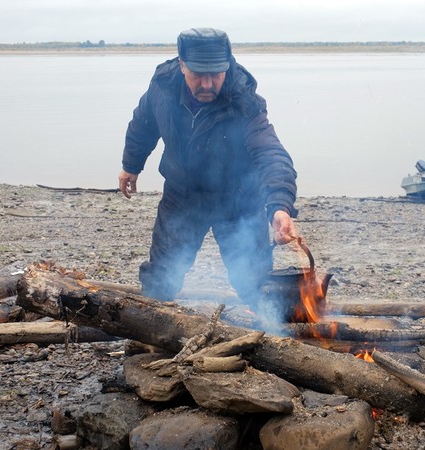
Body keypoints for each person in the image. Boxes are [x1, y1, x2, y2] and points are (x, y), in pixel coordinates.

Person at [118, 27, 299, 309]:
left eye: (215, 74)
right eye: (198, 74)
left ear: (226, 67)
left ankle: (274, 337)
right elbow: (144, 123)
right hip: (183, 195)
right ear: (181, 65)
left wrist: (279, 206)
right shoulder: (163, 87)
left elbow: (271, 154)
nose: (207, 83)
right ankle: (150, 330)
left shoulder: (244, 100)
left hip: (237, 199)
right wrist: (131, 165)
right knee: (161, 277)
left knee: (255, 283)